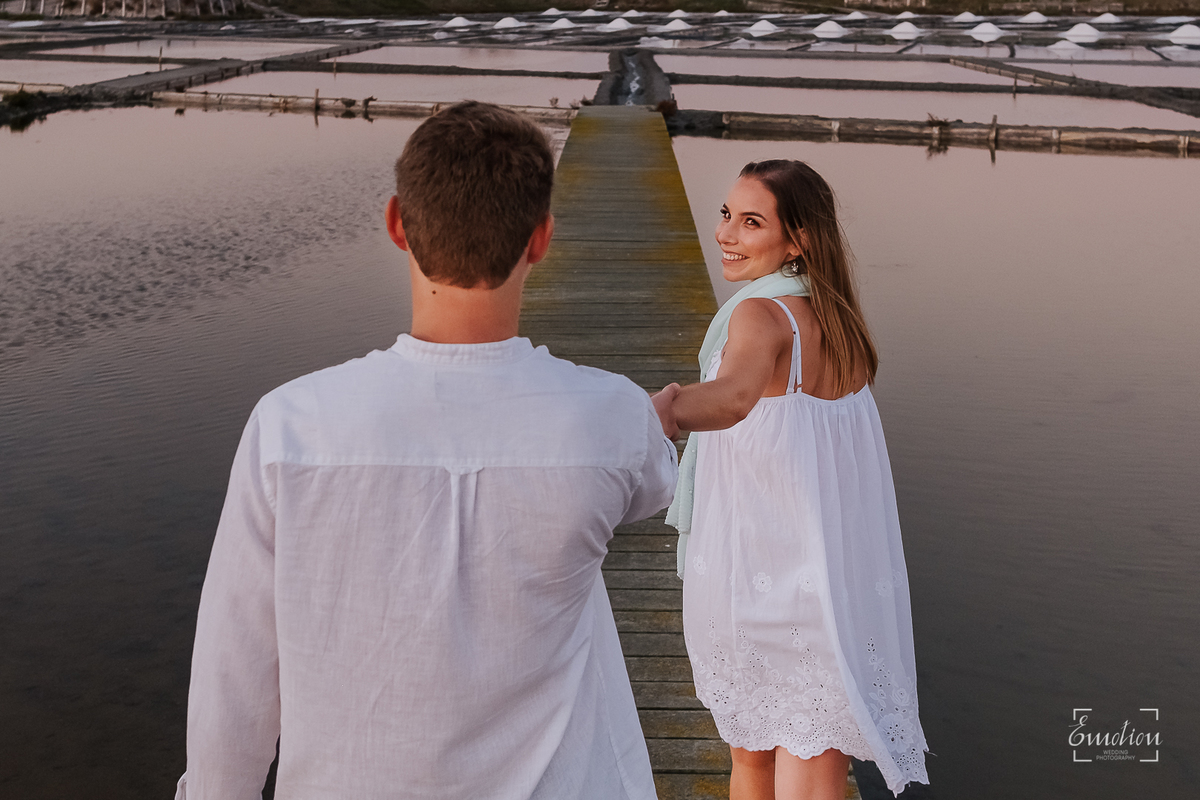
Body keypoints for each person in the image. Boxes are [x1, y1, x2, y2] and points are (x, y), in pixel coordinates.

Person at [176, 101, 677, 800]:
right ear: (541, 240)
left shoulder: (290, 426)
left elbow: (237, 672)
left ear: (395, 224)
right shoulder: (609, 415)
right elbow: (654, 482)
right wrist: (651, 420)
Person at [652, 160, 930, 799]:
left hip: (759, 579)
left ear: (799, 239)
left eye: (752, 222)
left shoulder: (760, 317)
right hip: (831, 575)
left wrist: (656, 408)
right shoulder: (841, 323)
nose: (726, 233)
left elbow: (733, 397)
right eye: (726, 214)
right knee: (802, 755)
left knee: (758, 760)